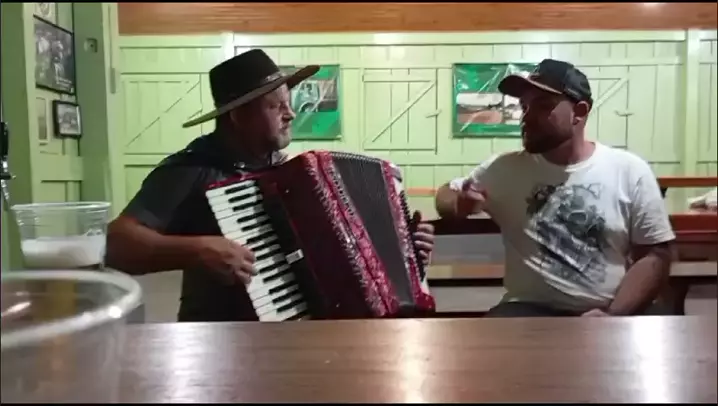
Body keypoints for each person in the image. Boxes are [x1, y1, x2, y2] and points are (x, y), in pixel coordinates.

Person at [106, 50, 436, 322]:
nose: (290, 114)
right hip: (216, 337)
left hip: (293, 335)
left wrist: (405, 249)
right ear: (238, 116)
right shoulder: (193, 170)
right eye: (275, 105)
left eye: (288, 102)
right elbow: (116, 243)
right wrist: (197, 250)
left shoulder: (290, 174)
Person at [434, 59, 675, 318]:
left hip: (610, 309)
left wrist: (613, 315)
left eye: (542, 106)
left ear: (579, 112)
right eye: (524, 106)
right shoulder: (504, 169)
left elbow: (655, 254)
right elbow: (445, 195)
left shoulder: (629, 170)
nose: (526, 117)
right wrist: (460, 204)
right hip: (527, 309)